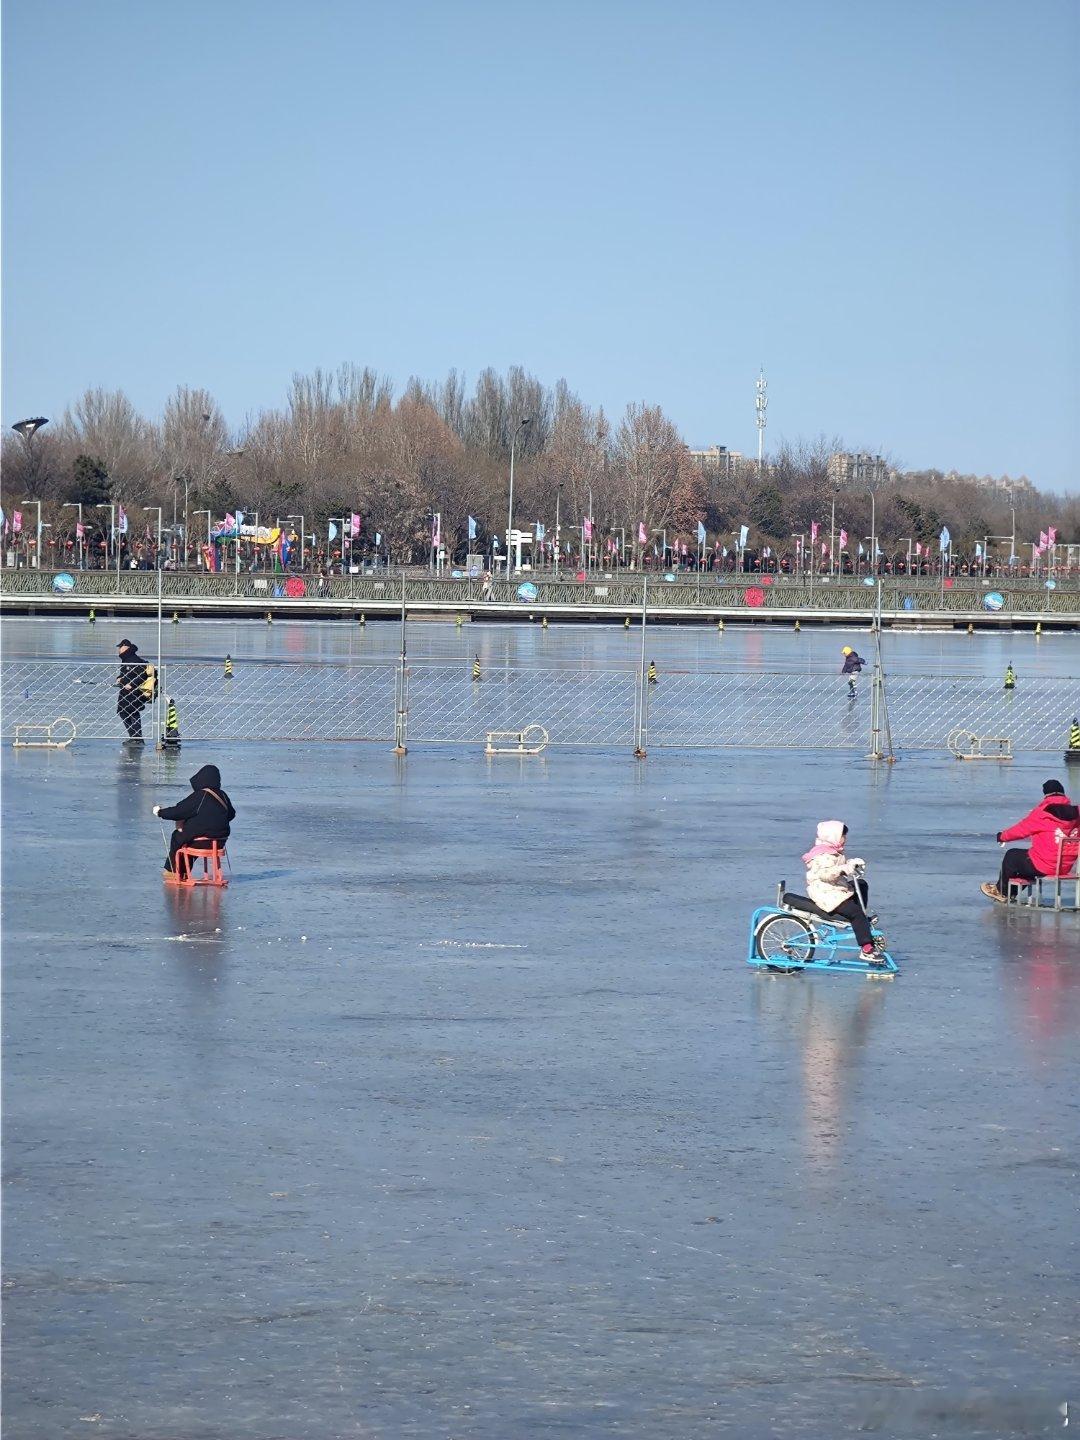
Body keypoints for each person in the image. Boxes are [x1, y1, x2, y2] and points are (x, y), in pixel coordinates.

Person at [980, 780, 1080, 902]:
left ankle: (1001, 891)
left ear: (1046, 795)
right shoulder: (1077, 814)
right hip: (1064, 867)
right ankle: (1009, 893)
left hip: (1044, 865)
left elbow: (1021, 829)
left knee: (1012, 856)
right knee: (1027, 861)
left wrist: (1002, 836)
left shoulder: (1042, 813)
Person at [802, 820, 882, 962]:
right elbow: (825, 874)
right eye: (842, 836)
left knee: (861, 885)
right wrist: (843, 869)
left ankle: (861, 921)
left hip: (835, 889)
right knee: (856, 913)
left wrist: (852, 864)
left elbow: (840, 867)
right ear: (832, 837)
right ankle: (866, 948)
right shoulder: (822, 855)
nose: (845, 839)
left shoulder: (833, 852)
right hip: (826, 894)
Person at [154, 764, 236, 873]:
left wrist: (160, 812)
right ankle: (183, 870)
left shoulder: (200, 796)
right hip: (220, 841)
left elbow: (179, 811)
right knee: (188, 838)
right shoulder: (223, 795)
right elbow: (231, 814)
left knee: (177, 837)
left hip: (201, 842)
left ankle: (174, 871)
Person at [114, 638, 154, 742]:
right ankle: (135, 737)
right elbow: (126, 673)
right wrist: (120, 678)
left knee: (131, 712)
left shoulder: (133, 659)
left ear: (125, 647)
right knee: (124, 712)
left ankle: (137, 738)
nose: (119, 649)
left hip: (134, 692)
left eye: (120, 647)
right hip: (126, 691)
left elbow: (142, 675)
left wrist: (131, 684)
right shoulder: (126, 658)